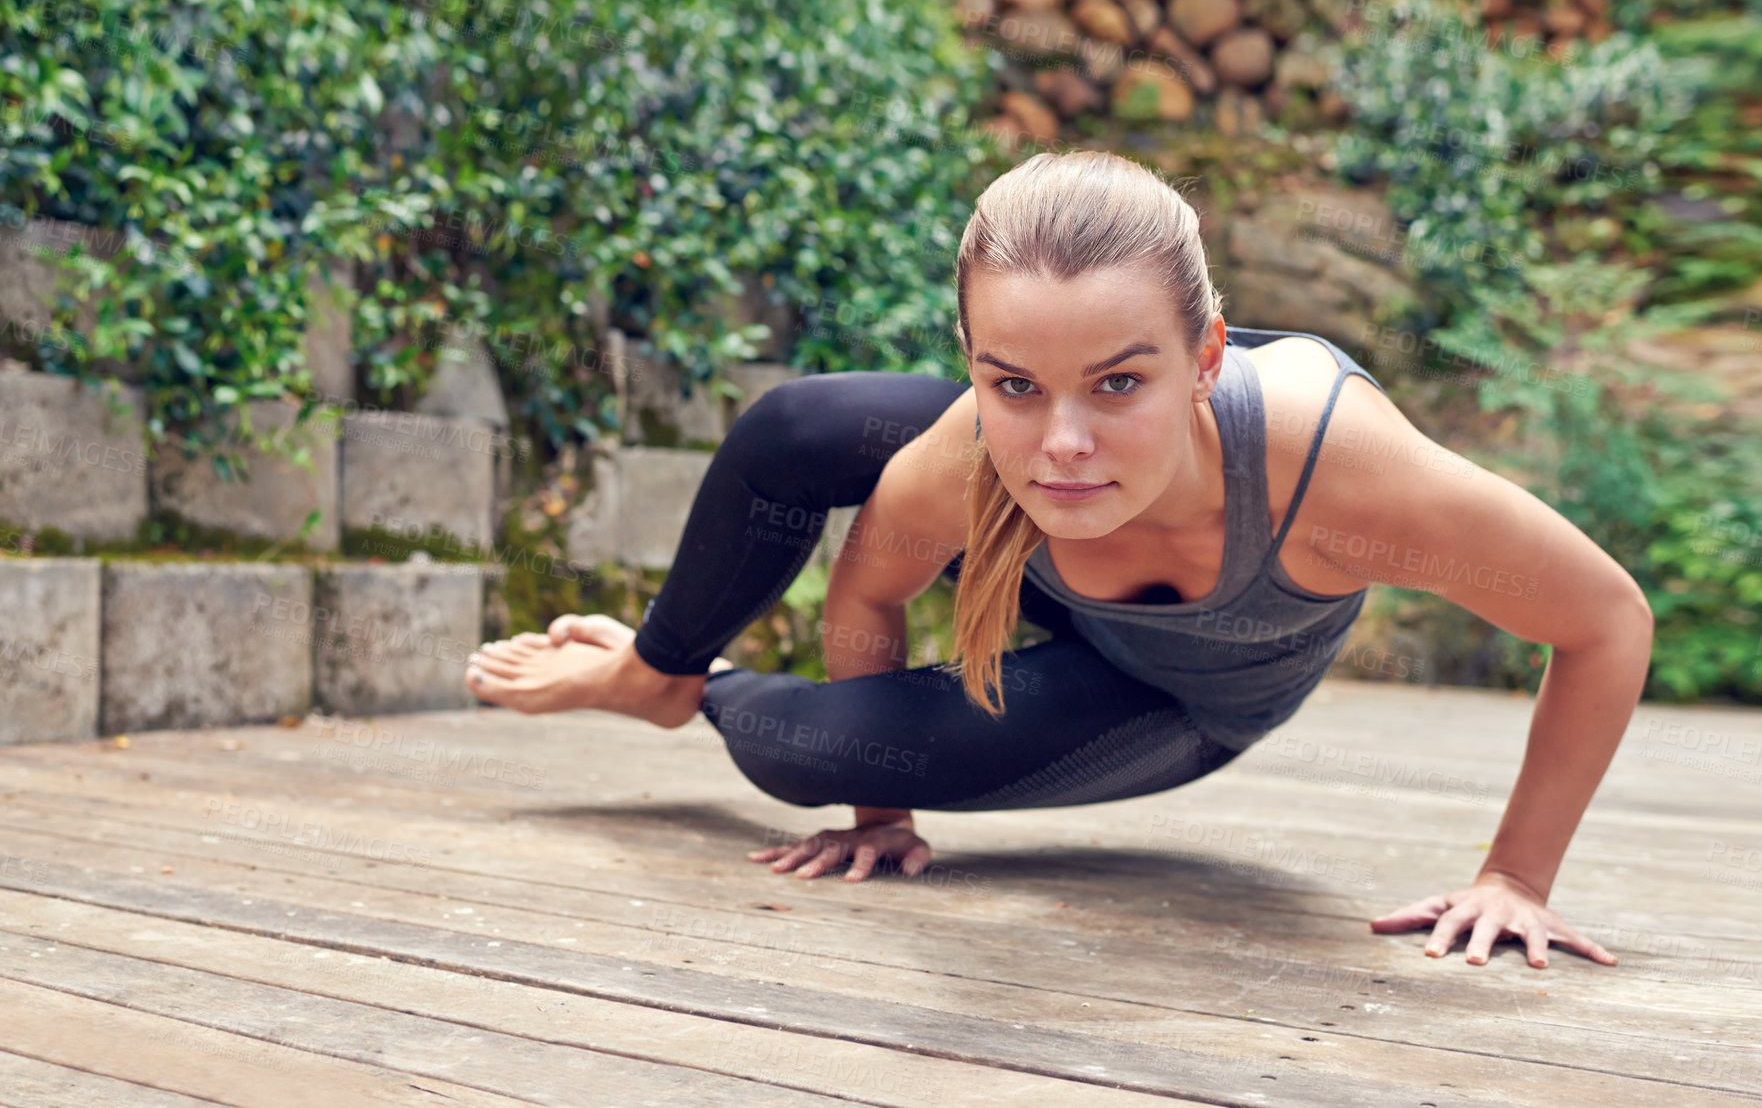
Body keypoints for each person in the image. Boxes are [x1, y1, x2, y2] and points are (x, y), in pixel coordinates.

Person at [465, 150, 1652, 970]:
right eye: (1013, 380)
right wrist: (884, 812)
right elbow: (872, 581)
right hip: (1047, 575)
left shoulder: (1338, 471)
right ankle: (659, 667)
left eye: (1119, 380)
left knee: (795, 745)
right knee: (799, 428)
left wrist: (1515, 874)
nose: (1062, 443)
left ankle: (704, 691)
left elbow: (1603, 620)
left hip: (1166, 694)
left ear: (1206, 355)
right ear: (975, 361)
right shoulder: (974, 451)